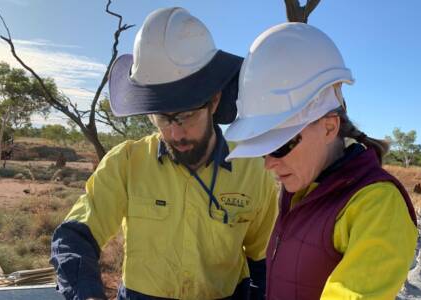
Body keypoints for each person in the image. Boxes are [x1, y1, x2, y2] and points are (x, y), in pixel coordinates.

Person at [50, 8, 278, 300]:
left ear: (214, 99)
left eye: (186, 115)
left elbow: (263, 261)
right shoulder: (126, 163)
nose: (175, 133)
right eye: (163, 117)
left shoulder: (253, 172)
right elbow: (74, 237)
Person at [225, 23, 418, 300]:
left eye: (279, 146)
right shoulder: (302, 187)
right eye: (262, 149)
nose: (268, 164)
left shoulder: (377, 206)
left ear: (329, 127)